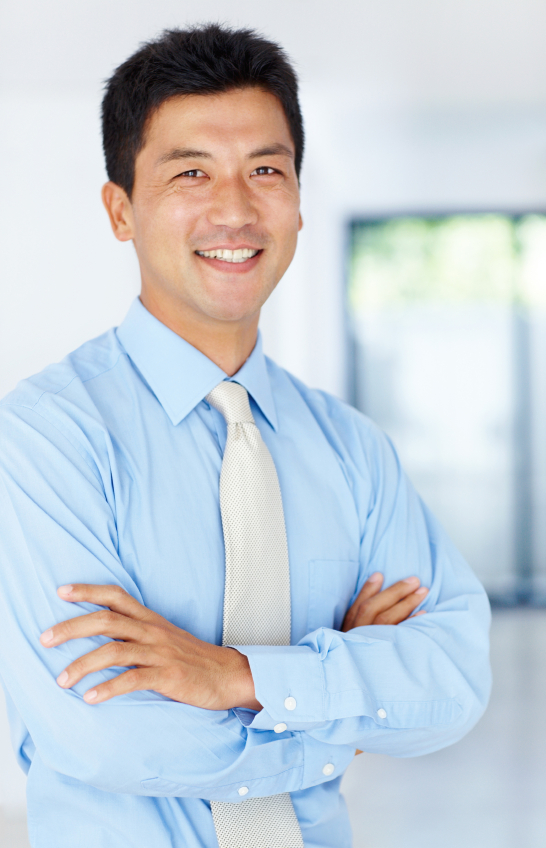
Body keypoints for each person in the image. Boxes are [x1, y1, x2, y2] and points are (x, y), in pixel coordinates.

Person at [0, 24, 491, 848]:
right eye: (190, 172)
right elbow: (105, 733)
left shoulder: (351, 448)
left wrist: (235, 677)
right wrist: (339, 702)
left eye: (266, 170)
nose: (234, 208)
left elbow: (454, 682)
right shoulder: (46, 439)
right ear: (121, 210)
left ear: (298, 199)